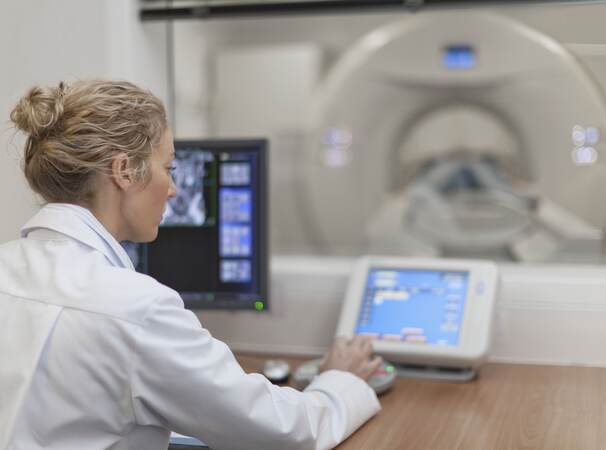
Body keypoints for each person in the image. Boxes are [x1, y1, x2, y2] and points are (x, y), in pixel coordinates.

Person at [0, 80, 382, 450]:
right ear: (124, 171)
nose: (173, 189)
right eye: (169, 168)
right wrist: (339, 380)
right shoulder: (134, 308)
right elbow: (283, 431)